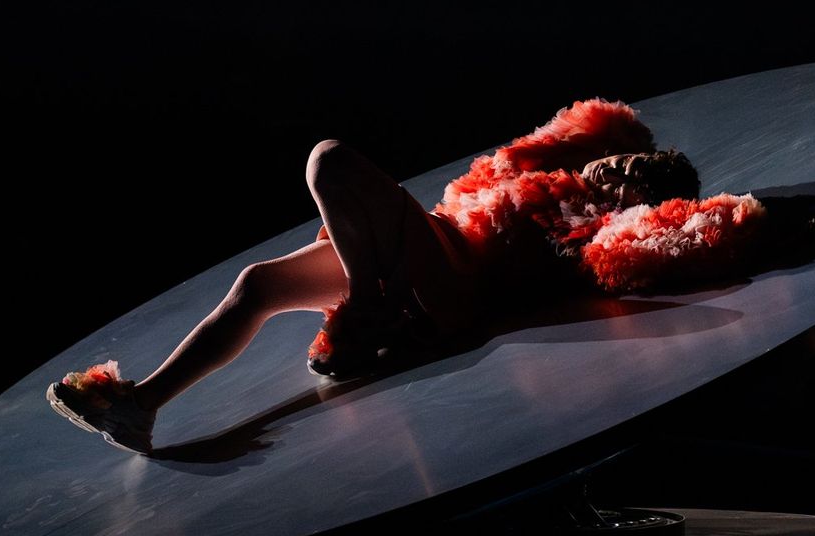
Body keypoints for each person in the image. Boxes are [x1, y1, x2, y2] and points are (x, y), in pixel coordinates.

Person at [46, 98, 766, 453]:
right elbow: (568, 141)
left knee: (330, 159)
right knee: (259, 284)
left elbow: (599, 263)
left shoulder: (591, 224)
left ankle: (369, 299)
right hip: (431, 247)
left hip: (456, 280)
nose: (610, 170)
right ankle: (144, 404)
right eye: (615, 160)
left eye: (628, 175)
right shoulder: (548, 172)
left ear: (639, 198)